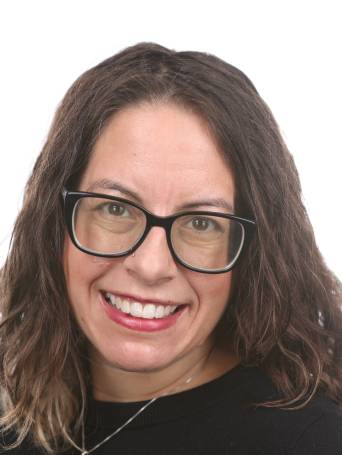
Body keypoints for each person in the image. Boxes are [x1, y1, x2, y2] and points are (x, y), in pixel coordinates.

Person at [0, 42, 341, 454]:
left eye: (201, 223)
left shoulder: (311, 441)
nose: (150, 264)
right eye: (116, 208)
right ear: (55, 223)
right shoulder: (13, 422)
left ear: (253, 252)